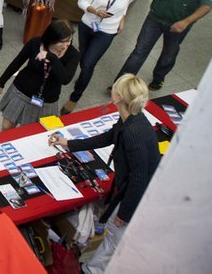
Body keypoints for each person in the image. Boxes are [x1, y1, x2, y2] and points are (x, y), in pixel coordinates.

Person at [49, 74, 159, 274]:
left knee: (114, 239)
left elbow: (139, 178)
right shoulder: (130, 118)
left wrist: (124, 213)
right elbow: (108, 137)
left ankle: (91, 271)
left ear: (118, 97)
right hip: (131, 188)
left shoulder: (133, 132)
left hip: (137, 195)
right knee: (112, 235)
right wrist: (68, 143)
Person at [62, 0, 140, 115]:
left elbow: (125, 4)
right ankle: (83, 76)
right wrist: (95, 11)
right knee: (83, 59)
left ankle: (75, 97)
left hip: (108, 31)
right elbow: (82, 1)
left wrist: (122, 18)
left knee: (88, 64)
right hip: (87, 24)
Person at [0, 20, 79, 129]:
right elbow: (17, 62)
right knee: (7, 127)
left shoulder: (73, 54)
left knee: (33, 132)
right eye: (62, 41)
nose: (66, 44)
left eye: (69, 40)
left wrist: (51, 57)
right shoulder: (35, 43)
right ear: (52, 38)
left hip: (47, 100)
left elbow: (65, 79)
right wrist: (1, 82)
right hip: (21, 91)